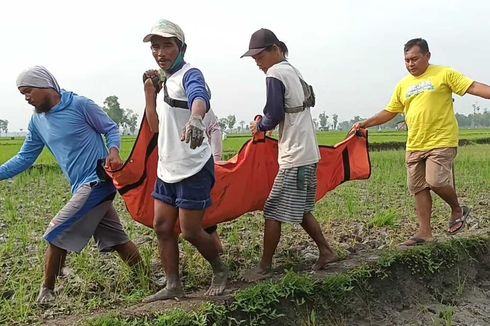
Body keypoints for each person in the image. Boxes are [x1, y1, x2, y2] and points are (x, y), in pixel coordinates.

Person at [0, 66, 142, 305]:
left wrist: (114, 151)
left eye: (28, 91)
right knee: (115, 238)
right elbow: (25, 157)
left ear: (46, 86)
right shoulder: (37, 121)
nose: (26, 98)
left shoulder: (79, 105)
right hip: (80, 187)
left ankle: (47, 291)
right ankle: (147, 278)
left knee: (56, 231)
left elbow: (110, 128)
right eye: (22, 93)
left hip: (97, 181)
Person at [352, 38, 490, 246]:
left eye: (414, 59)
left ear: (427, 56)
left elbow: (472, 87)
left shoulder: (444, 74)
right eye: (406, 60)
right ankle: (424, 232)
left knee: (436, 181)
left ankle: (456, 209)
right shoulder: (403, 85)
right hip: (415, 143)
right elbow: (390, 111)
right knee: (418, 187)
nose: (410, 64)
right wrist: (366, 123)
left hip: (441, 140)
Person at [241, 28, 337, 282]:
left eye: (260, 57)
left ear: (275, 50)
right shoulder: (293, 70)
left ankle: (264, 267)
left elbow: (274, 114)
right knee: (302, 209)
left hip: (295, 155)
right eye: (255, 60)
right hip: (308, 151)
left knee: (273, 209)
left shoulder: (275, 73)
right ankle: (326, 251)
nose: (258, 64)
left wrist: (259, 125)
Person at [141, 19, 227, 302]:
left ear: (181, 48)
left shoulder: (191, 74)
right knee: (162, 227)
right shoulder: (165, 82)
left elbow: (198, 96)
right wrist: (149, 94)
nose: (160, 52)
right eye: (155, 46)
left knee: (190, 230)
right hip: (167, 167)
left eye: (167, 45)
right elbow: (154, 127)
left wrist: (195, 117)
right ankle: (173, 285)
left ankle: (219, 269)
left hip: (193, 166)